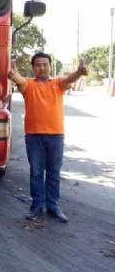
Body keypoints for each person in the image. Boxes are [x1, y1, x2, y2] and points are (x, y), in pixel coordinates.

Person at [8, 52, 89, 222]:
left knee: (53, 173)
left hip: (56, 136)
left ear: (50, 66)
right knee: (36, 173)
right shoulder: (29, 84)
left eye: (45, 64)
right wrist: (14, 76)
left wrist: (79, 72)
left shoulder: (58, 83)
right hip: (34, 137)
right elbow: (20, 80)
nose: (42, 68)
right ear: (33, 68)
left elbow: (69, 79)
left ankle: (53, 205)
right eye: (38, 65)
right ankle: (37, 205)